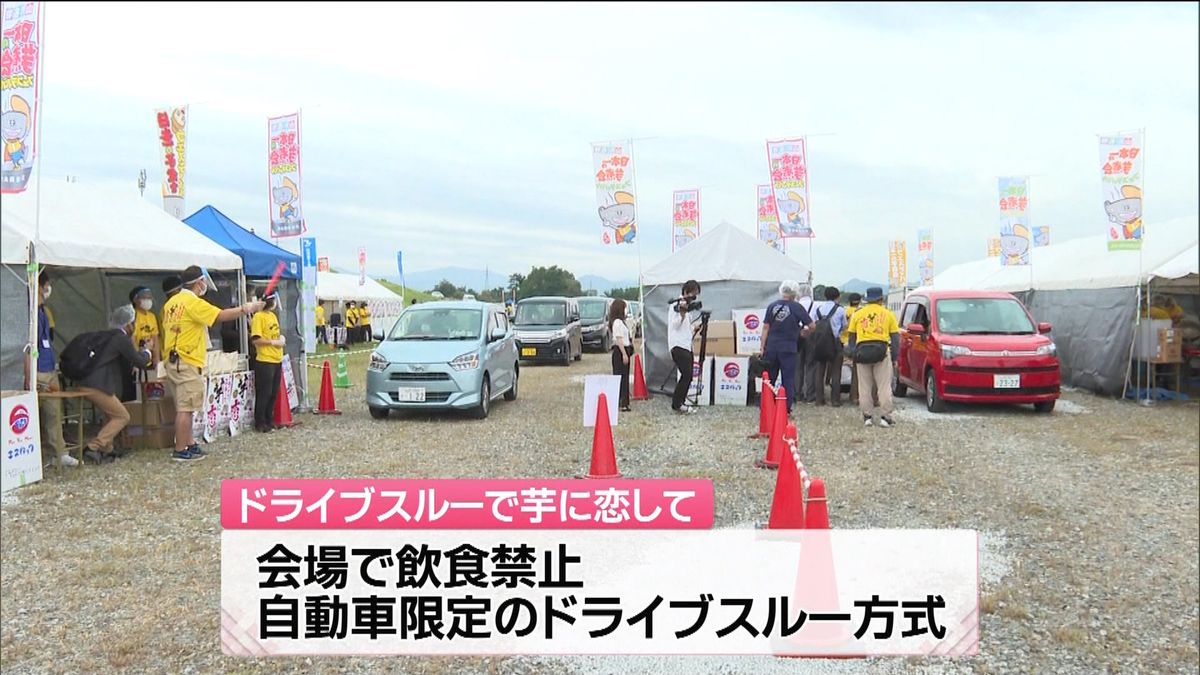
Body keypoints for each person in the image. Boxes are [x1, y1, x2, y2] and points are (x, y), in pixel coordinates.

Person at [162, 265, 264, 461]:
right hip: (186, 359)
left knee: (186, 406)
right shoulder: (192, 302)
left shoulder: (172, 303)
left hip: (174, 359)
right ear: (199, 282)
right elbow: (220, 316)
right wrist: (245, 308)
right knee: (185, 408)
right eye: (203, 282)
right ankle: (181, 449)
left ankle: (190, 444)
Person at [76, 306, 153, 464]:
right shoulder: (120, 338)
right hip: (96, 384)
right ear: (128, 324)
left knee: (110, 414)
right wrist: (147, 351)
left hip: (86, 381)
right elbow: (139, 361)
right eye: (133, 323)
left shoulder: (107, 335)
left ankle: (108, 449)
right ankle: (93, 447)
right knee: (122, 416)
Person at [25, 273, 77, 468]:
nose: (48, 289)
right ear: (39, 286)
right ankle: (39, 454)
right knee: (34, 415)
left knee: (53, 414)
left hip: (48, 367)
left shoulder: (43, 311)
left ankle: (58, 452)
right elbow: (27, 346)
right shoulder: (30, 311)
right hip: (37, 371)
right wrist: (28, 375)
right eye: (47, 285)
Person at [757, 280, 814, 415]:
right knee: (788, 378)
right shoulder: (797, 307)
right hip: (788, 347)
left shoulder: (772, 306)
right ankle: (785, 408)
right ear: (795, 293)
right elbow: (812, 326)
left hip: (771, 346)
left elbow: (766, 327)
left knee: (769, 377)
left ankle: (766, 406)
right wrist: (803, 332)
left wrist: (762, 347)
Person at [847, 286, 900, 428]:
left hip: (862, 352)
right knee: (884, 386)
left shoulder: (857, 314)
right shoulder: (888, 314)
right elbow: (895, 339)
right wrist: (895, 357)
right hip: (882, 352)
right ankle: (885, 416)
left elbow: (851, 338)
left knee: (864, 386)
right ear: (881, 299)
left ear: (866, 299)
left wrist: (853, 353)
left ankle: (867, 416)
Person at [250, 291, 286, 433]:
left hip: (276, 358)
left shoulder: (273, 316)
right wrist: (272, 342)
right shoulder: (259, 317)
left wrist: (280, 339)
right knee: (264, 392)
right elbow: (256, 339)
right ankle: (260, 422)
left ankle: (269, 419)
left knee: (273, 392)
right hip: (265, 360)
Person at [808, 286, 847, 407]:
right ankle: (835, 400)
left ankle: (819, 399)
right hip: (835, 343)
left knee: (820, 370)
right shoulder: (840, 310)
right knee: (836, 371)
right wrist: (838, 331)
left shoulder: (819, 309)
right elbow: (845, 325)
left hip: (820, 342)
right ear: (837, 296)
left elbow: (813, 325)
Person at [668, 280, 702, 414]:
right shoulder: (675, 305)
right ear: (686, 292)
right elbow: (675, 325)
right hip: (678, 345)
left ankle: (680, 402)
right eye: (693, 294)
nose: (694, 297)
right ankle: (677, 404)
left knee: (688, 375)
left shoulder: (686, 308)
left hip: (686, 345)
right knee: (687, 374)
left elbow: (685, 328)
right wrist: (682, 314)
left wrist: (695, 328)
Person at [609, 298, 633, 412]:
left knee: (624, 376)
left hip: (624, 349)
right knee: (621, 377)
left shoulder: (621, 322)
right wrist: (624, 354)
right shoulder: (617, 322)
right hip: (620, 350)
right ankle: (622, 402)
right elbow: (619, 339)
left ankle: (624, 400)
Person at [795, 286, 817, 403]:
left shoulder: (795, 305)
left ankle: (797, 394)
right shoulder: (816, 305)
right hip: (811, 336)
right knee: (810, 365)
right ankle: (810, 395)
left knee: (798, 366)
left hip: (797, 335)